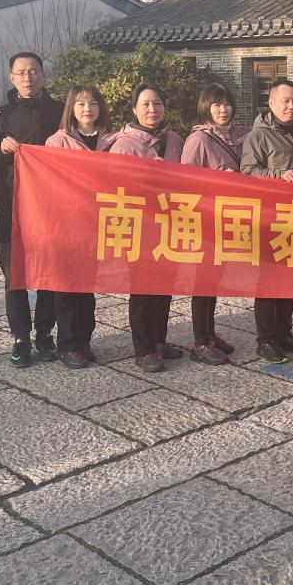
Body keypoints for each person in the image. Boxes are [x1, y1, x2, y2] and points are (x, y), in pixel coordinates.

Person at [0, 51, 63, 367]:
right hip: (12, 205)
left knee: (50, 274)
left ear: (43, 74)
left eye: (34, 71)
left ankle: (45, 334)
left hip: (52, 205)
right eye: (21, 72)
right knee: (14, 275)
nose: (28, 77)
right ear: (11, 78)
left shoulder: (60, 111)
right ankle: (20, 337)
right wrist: (2, 151)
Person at [110, 84, 185, 372]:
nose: (152, 109)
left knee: (164, 286)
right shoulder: (124, 145)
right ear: (134, 109)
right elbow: (115, 186)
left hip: (170, 223)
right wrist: (148, 177)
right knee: (142, 289)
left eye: (157, 103)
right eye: (145, 104)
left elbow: (189, 179)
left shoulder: (175, 140)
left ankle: (158, 340)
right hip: (140, 226)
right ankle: (143, 349)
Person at [44, 84, 117, 369]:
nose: (88, 109)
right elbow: (50, 183)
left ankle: (84, 341)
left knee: (88, 287)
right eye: (81, 104)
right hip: (68, 224)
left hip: (97, 223)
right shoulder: (57, 141)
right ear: (71, 109)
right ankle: (68, 344)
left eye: (93, 103)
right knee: (67, 287)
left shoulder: (113, 140)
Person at [242, 78, 293, 364]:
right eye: (285, 100)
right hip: (269, 219)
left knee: (290, 279)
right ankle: (266, 339)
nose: (291, 106)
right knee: (269, 281)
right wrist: (278, 175)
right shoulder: (258, 136)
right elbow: (247, 171)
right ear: (271, 103)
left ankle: (285, 333)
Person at [181, 83, 245, 365]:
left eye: (227, 104)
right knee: (202, 282)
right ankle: (199, 341)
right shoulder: (198, 140)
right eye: (217, 104)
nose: (223, 110)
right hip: (206, 221)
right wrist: (220, 180)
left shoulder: (238, 137)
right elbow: (187, 183)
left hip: (227, 220)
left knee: (215, 280)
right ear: (206, 107)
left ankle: (210, 333)